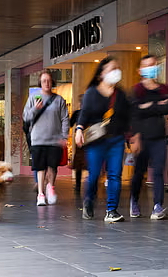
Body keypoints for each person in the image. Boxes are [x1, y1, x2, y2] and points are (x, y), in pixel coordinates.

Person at [75, 57, 130, 222]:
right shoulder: (92, 92)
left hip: (116, 140)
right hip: (97, 141)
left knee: (115, 175)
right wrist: (79, 129)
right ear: (101, 74)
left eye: (117, 68)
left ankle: (111, 210)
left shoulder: (120, 95)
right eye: (112, 69)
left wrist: (132, 135)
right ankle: (89, 201)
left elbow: (127, 117)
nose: (116, 72)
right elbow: (84, 114)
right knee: (93, 176)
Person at [129, 55, 168, 220]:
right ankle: (134, 200)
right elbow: (134, 113)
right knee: (139, 172)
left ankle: (158, 206)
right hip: (141, 137)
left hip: (159, 136)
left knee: (159, 171)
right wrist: (156, 106)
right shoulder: (136, 90)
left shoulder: (163, 88)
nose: (151, 68)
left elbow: (167, 108)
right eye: (147, 66)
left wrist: (147, 107)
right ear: (140, 70)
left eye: (153, 65)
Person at [23, 70, 69, 206]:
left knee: (52, 167)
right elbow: (26, 116)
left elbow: (65, 118)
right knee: (40, 167)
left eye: (49, 80)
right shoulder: (34, 98)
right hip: (38, 139)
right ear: (40, 83)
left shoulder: (59, 99)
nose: (47, 83)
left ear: (52, 82)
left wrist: (64, 136)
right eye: (44, 81)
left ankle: (51, 187)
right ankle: (41, 194)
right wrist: (35, 109)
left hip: (54, 140)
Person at [70, 94, 87, 193]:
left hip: (81, 141)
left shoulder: (77, 113)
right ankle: (80, 186)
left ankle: (77, 186)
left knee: (79, 165)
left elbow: (70, 124)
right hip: (86, 140)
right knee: (85, 163)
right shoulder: (89, 113)